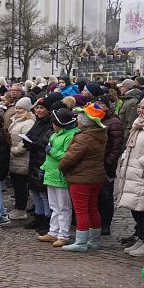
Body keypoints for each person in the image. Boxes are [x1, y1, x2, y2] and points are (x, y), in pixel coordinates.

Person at [58, 103, 109, 252]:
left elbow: (69, 158)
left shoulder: (84, 138)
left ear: (84, 122)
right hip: (96, 177)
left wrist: (61, 167)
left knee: (81, 210)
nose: (77, 122)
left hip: (81, 178)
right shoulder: (99, 134)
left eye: (79, 119)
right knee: (92, 208)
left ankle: (81, 242)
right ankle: (94, 240)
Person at [115, 94, 144, 256]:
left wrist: (143, 161)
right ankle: (141, 237)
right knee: (134, 206)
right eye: (141, 107)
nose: (142, 111)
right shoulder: (139, 124)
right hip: (133, 171)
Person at [38, 107, 78, 247]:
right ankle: (53, 232)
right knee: (54, 206)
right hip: (51, 174)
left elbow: (68, 157)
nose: (52, 125)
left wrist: (52, 151)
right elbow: (48, 157)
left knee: (64, 207)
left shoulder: (71, 136)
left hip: (60, 175)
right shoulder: (54, 135)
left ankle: (63, 235)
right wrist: (43, 168)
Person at [23, 97, 56, 235]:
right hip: (34, 159)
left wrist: (35, 144)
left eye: (42, 108)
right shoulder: (37, 122)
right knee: (35, 191)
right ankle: (38, 215)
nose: (38, 110)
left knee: (43, 193)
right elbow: (31, 136)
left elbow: (46, 142)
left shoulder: (50, 125)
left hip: (43, 160)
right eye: (37, 108)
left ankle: (46, 220)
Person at [93, 96, 125, 236]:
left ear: (107, 106)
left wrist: (109, 162)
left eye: (100, 104)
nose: (97, 106)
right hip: (94, 164)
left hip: (106, 165)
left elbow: (117, 146)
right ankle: (97, 223)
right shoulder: (96, 119)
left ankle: (106, 224)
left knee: (106, 196)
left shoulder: (114, 122)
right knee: (97, 195)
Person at [6, 97, 35, 220]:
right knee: (17, 185)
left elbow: (25, 142)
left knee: (21, 186)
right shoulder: (17, 120)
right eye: (17, 107)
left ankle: (21, 209)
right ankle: (18, 207)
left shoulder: (28, 123)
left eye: (21, 108)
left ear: (27, 110)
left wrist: (13, 151)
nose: (17, 110)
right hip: (15, 160)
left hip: (21, 160)